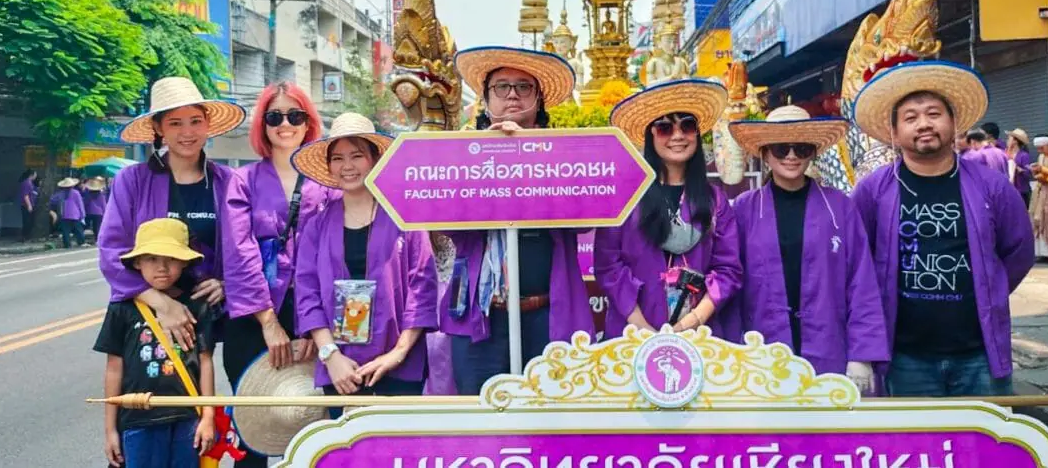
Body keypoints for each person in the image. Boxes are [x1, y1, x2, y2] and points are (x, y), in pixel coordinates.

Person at [850, 60, 1034, 397]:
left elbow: (1019, 251)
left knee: (986, 448)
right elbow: (857, 263)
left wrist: (988, 291)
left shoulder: (991, 187)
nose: (924, 124)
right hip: (904, 357)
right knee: (913, 448)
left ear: (953, 123)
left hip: (979, 354)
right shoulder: (873, 191)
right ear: (894, 132)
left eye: (934, 114)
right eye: (910, 117)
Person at [442, 46, 594, 396]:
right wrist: (486, 157)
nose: (512, 94)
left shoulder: (565, 154)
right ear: (485, 99)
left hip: (546, 315)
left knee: (552, 424)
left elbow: (584, 220)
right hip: (482, 316)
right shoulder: (461, 155)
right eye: (502, 86)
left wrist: (529, 152)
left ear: (539, 99)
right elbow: (446, 225)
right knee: (479, 423)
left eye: (524, 87)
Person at [722, 105, 887, 392]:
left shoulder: (839, 207)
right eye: (781, 148)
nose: (791, 156)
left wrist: (863, 355)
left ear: (812, 152)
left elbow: (861, 283)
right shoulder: (745, 209)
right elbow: (730, 283)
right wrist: (731, 349)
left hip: (829, 347)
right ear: (764, 153)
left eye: (800, 148)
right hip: (760, 349)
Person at [221, 82, 330, 466]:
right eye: (275, 116)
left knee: (314, 429)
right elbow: (240, 252)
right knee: (253, 432)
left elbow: (332, 257)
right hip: (255, 319)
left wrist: (320, 330)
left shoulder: (328, 181)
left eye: (295, 115)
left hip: (313, 314)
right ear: (262, 125)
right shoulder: (243, 180)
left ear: (308, 123)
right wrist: (268, 322)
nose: (285, 124)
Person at [293, 112, 438, 398]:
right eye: (338, 158)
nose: (347, 166)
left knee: (397, 443)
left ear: (374, 160)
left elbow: (423, 287)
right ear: (329, 166)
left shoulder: (404, 218)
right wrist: (330, 355)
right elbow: (306, 292)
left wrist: (398, 353)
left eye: (356, 156)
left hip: (398, 365)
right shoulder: (317, 225)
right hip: (339, 367)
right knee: (344, 442)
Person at [98, 76, 247, 352]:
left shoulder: (228, 181)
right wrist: (163, 303)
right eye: (175, 123)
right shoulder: (133, 181)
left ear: (208, 124)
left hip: (209, 311)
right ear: (159, 129)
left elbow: (246, 248)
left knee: (202, 387)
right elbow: (111, 253)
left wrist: (228, 283)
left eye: (195, 121)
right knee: (150, 390)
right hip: (148, 307)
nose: (187, 132)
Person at [596, 79, 742, 338]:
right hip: (632, 335)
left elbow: (728, 270)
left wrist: (691, 324)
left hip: (699, 337)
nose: (677, 136)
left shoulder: (715, 200)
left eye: (687, 125)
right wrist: (643, 329)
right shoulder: (626, 197)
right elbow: (608, 266)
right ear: (650, 135)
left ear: (697, 133)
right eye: (664, 128)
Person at [95, 218, 216, 468]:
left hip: (186, 418)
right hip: (137, 419)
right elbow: (114, 369)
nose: (162, 267)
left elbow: (205, 362)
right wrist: (110, 430)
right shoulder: (122, 309)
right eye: (151, 259)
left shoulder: (196, 305)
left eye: (171, 259)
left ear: (184, 261)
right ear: (137, 262)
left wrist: (208, 416)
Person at [54, 177, 86, 248]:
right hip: (75, 214)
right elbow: (80, 204)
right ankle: (81, 242)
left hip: (64, 214)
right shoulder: (76, 193)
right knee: (78, 230)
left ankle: (67, 244)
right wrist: (83, 214)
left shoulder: (60, 194)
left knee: (66, 231)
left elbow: (54, 201)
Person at [1006, 129, 1033, 207]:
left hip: (1022, 191)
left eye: (1009, 138)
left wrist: (1019, 169)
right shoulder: (1006, 153)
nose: (1007, 140)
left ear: (1015, 141)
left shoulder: (1023, 156)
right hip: (1011, 190)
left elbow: (1028, 173)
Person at [17, 169, 38, 241]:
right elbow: (26, 195)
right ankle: (24, 237)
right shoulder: (27, 183)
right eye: (35, 174)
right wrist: (29, 205)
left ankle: (26, 237)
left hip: (30, 205)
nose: (36, 175)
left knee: (30, 221)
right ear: (31, 175)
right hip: (26, 206)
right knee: (27, 222)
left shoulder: (30, 183)